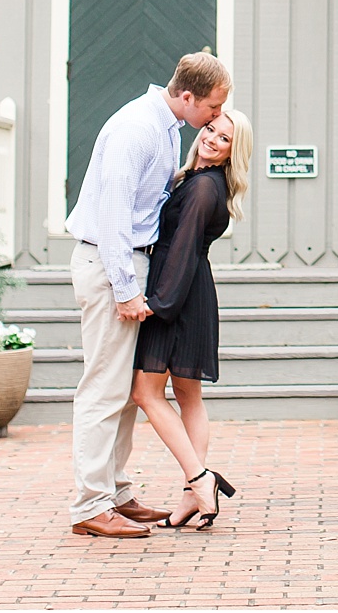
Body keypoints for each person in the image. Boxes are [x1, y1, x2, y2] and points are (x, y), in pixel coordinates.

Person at [64, 52, 231, 539]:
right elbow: (115, 217)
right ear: (187, 97)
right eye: (214, 107)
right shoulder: (135, 129)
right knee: (102, 388)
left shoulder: (167, 128)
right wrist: (125, 289)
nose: (216, 117)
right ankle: (89, 506)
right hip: (108, 263)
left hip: (130, 262)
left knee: (124, 392)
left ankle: (116, 492)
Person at [131, 107, 253, 529]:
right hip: (192, 291)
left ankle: (200, 480)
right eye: (211, 130)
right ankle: (194, 496)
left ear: (230, 154)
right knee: (188, 397)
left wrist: (158, 303)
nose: (212, 139)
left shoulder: (203, 188)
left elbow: (182, 248)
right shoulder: (196, 180)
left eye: (224, 139)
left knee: (146, 393)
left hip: (177, 295)